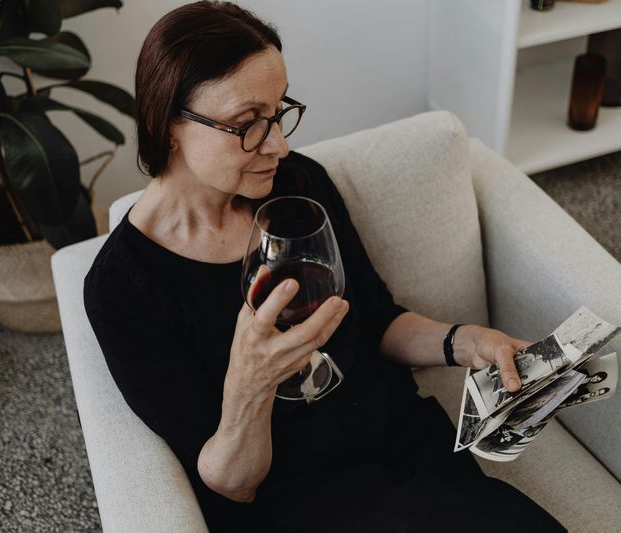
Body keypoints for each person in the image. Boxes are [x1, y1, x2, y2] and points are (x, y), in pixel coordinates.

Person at [83, 2, 566, 532]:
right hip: (301, 495)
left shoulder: (298, 186)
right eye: (248, 124)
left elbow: (376, 320)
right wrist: (250, 384)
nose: (279, 144)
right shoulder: (123, 289)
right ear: (167, 123)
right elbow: (231, 483)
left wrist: (467, 341)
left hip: (401, 441)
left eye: (279, 112)